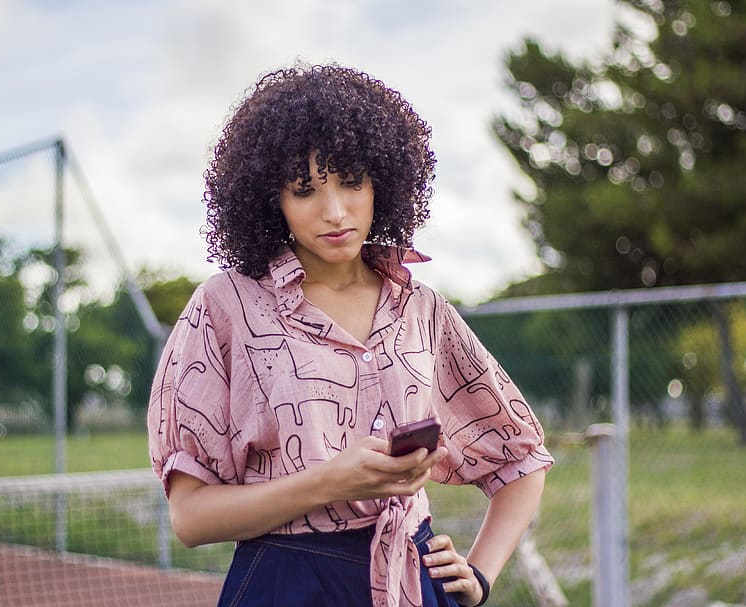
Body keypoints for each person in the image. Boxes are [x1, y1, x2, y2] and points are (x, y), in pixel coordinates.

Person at [147, 63, 553, 607]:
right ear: (273, 200)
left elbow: (521, 460)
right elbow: (191, 519)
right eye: (304, 190)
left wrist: (478, 575)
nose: (334, 212)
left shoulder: (422, 310)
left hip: (413, 577)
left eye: (351, 182)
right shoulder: (225, 308)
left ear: (382, 181)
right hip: (286, 585)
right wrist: (331, 481)